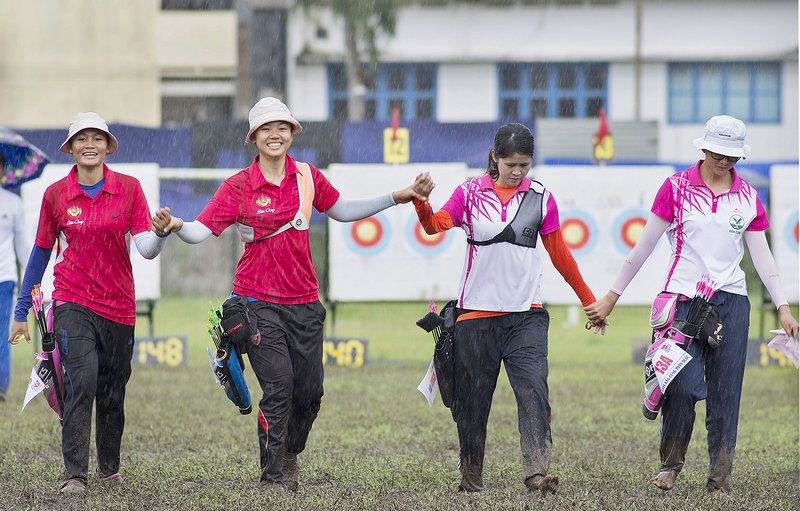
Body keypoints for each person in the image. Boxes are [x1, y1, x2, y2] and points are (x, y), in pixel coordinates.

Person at [150, 97, 432, 492]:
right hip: (256, 303)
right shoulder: (238, 186)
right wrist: (176, 224)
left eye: (282, 127)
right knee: (279, 386)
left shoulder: (307, 177)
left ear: (293, 133)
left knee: (310, 393)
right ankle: (272, 477)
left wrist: (397, 196)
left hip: (304, 304)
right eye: (266, 128)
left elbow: (344, 209)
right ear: (254, 138)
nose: (275, 134)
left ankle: (289, 452)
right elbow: (200, 230)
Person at [585, 115, 799, 497]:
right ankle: (670, 464)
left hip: (732, 302)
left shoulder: (748, 196)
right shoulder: (675, 188)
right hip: (683, 301)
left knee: (726, 392)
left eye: (733, 156)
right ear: (704, 148)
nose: (725, 161)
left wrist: (782, 305)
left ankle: (719, 478)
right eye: (718, 153)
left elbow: (763, 258)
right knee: (680, 387)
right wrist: (612, 296)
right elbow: (643, 247)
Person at [411, 123, 605, 494]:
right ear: (494, 158)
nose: (517, 172)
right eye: (511, 164)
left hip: (526, 316)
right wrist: (422, 201)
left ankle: (536, 473)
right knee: (473, 400)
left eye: (525, 165)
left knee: (533, 389)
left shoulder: (541, 197)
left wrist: (588, 300)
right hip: (475, 316)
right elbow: (435, 226)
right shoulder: (469, 192)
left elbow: (560, 254)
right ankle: (471, 475)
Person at [8, 112, 167, 495]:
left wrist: (160, 234)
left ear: (108, 146)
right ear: (71, 148)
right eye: (82, 139)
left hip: (119, 307)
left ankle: (109, 469)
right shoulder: (56, 195)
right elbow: (40, 253)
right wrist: (20, 314)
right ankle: (75, 473)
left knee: (113, 388)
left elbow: (145, 248)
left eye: (97, 138)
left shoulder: (129, 188)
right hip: (72, 301)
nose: (89, 144)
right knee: (82, 382)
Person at [0, 153, 32, 402]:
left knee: (2, 333)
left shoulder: (13, 203)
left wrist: (33, 278)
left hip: (5, 278)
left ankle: (0, 387)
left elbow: (23, 246)